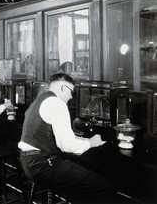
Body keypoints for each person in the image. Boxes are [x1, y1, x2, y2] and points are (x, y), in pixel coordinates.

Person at [18, 73, 119, 204]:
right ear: (63, 88)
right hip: (43, 166)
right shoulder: (57, 104)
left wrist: (84, 141)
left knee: (81, 181)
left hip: (28, 162)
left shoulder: (40, 100)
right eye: (71, 91)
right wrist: (92, 143)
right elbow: (66, 146)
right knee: (104, 186)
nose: (71, 96)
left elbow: (53, 136)